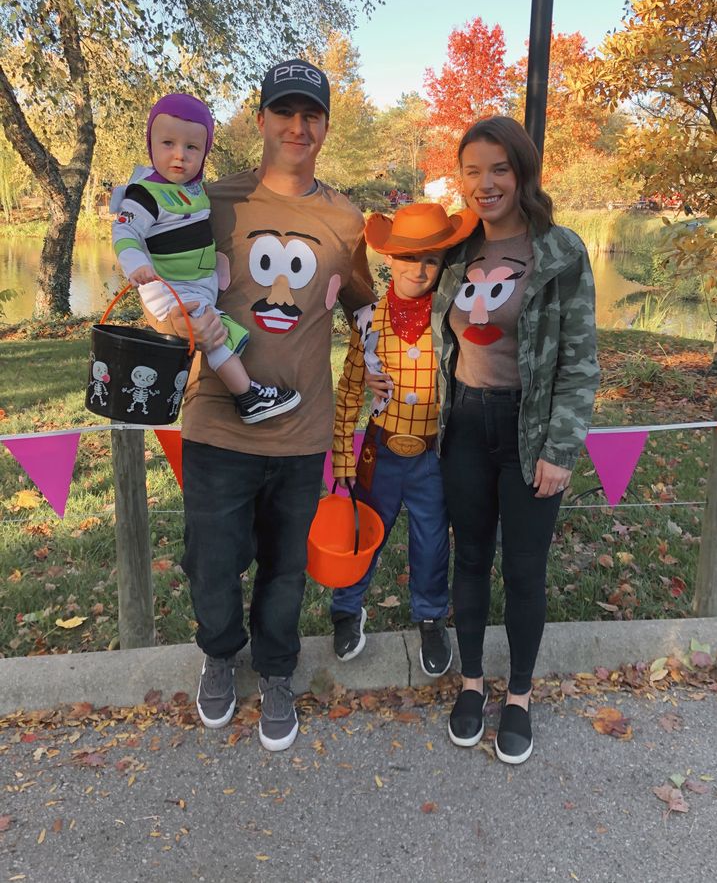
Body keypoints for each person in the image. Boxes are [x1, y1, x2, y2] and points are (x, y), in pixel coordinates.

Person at [158, 60, 375, 750]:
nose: (297, 126)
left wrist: (378, 353)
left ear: (325, 127)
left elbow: (361, 301)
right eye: (283, 112)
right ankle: (221, 654)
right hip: (218, 423)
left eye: (310, 115)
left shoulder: (345, 218)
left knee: (285, 570)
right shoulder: (210, 200)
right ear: (260, 122)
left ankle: (277, 669)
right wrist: (173, 318)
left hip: (302, 432)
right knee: (212, 563)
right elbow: (163, 277)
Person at [433, 116, 599, 763]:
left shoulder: (559, 252)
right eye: (472, 170)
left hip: (530, 431)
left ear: (522, 171)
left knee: (525, 569)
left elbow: (581, 360)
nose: (485, 182)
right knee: (470, 558)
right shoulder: (455, 249)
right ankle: (472, 683)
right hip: (466, 426)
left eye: (498, 168)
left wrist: (561, 446)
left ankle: (520, 695)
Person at [330, 203, 475, 675]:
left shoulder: (451, 320)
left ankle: (431, 617)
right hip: (381, 449)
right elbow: (350, 387)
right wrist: (341, 455)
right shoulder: (368, 319)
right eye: (409, 258)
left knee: (432, 539)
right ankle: (347, 609)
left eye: (432, 259)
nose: (420, 269)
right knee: (363, 530)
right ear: (389, 259)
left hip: (433, 451)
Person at [112, 93, 299, 424]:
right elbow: (125, 233)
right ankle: (248, 396)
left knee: (217, 328)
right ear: (150, 143)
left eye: (192, 148)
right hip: (169, 288)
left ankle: (247, 392)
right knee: (213, 334)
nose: (179, 156)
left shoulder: (196, 189)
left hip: (198, 285)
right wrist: (136, 265)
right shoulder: (145, 194)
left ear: (205, 151)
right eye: (167, 143)